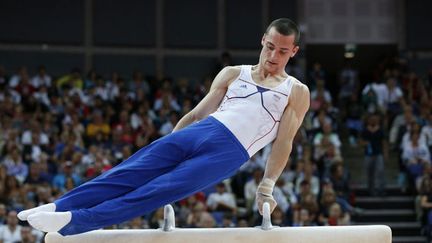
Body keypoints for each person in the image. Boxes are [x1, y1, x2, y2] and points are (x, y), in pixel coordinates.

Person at [17, 18, 309, 235]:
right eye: (270, 47)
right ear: (262, 40)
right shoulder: (233, 73)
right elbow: (196, 114)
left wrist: (266, 186)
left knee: (157, 190)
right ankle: (58, 206)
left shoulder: (295, 91)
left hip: (228, 153)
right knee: (130, 171)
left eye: (282, 52)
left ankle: (75, 221)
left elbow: (284, 142)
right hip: (200, 130)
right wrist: (169, 146)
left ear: (293, 52)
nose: (273, 57)